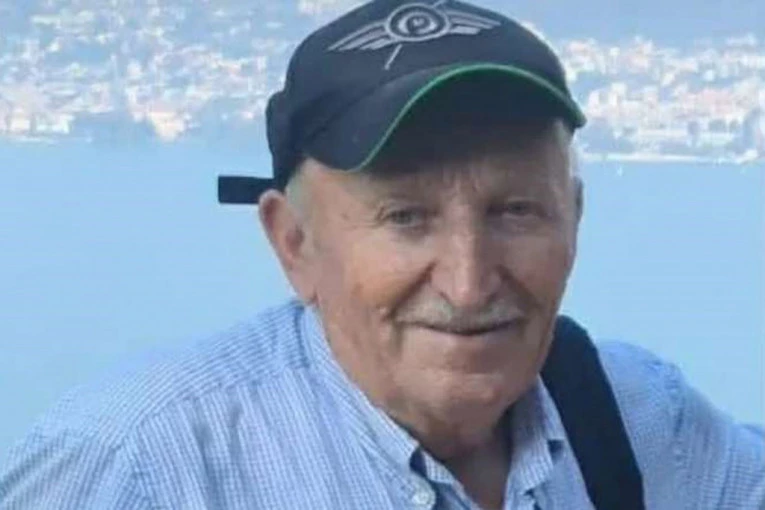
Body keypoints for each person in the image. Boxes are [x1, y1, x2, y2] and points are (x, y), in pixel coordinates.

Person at [1, 1, 763, 509]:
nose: (468, 283)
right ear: (294, 245)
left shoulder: (641, 423)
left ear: (574, 219)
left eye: (515, 211)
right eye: (406, 218)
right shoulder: (144, 467)